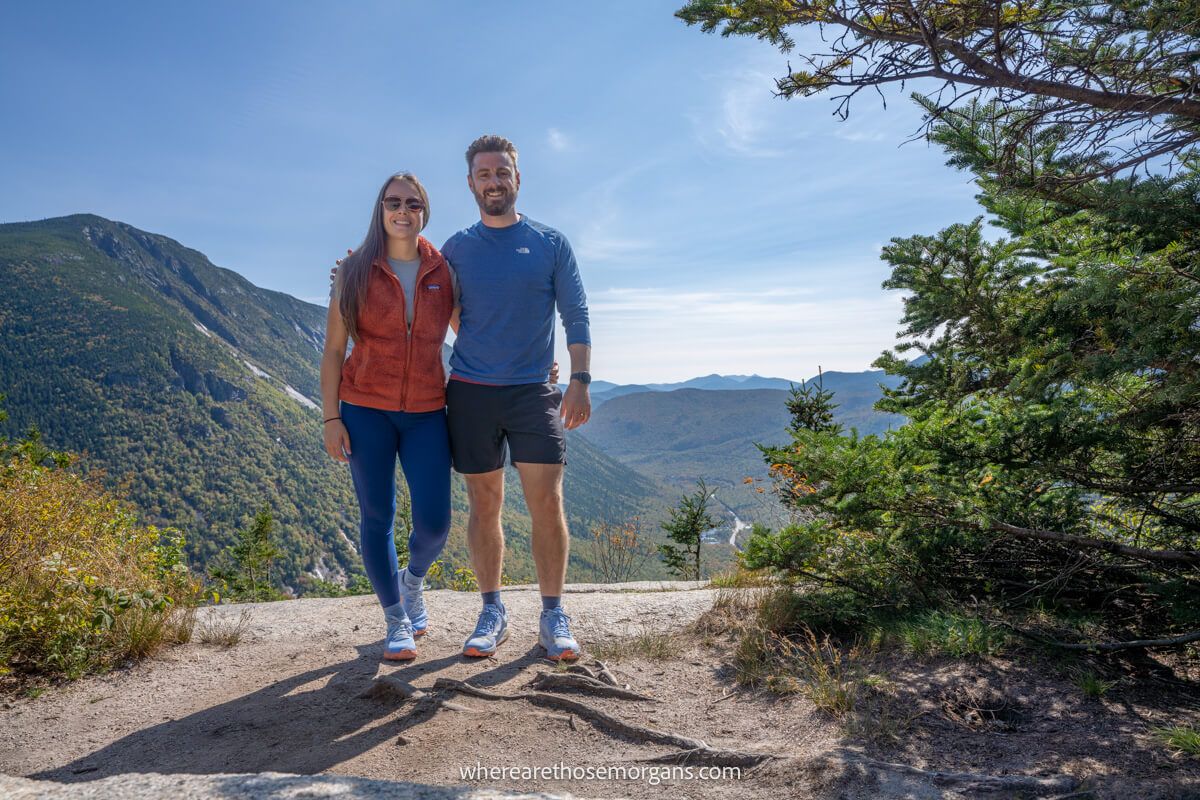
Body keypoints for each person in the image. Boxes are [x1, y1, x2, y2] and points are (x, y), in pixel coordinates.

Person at [443, 134, 592, 662]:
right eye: (484, 174)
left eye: (502, 172)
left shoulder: (550, 242)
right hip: (471, 393)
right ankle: (492, 612)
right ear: (471, 184)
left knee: (546, 502)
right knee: (484, 504)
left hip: (534, 393)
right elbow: (442, 305)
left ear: (517, 178)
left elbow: (575, 313)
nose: (493, 181)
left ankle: (552, 616)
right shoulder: (456, 248)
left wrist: (580, 378)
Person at [319, 171, 455, 662]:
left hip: (426, 411)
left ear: (425, 211)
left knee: (435, 523)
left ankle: (412, 582)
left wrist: (529, 362)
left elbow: (472, 332)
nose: (403, 211)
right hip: (364, 409)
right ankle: (396, 618)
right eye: (394, 202)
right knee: (377, 516)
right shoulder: (354, 271)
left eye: (413, 203)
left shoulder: (443, 272)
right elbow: (334, 352)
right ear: (380, 209)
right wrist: (331, 418)